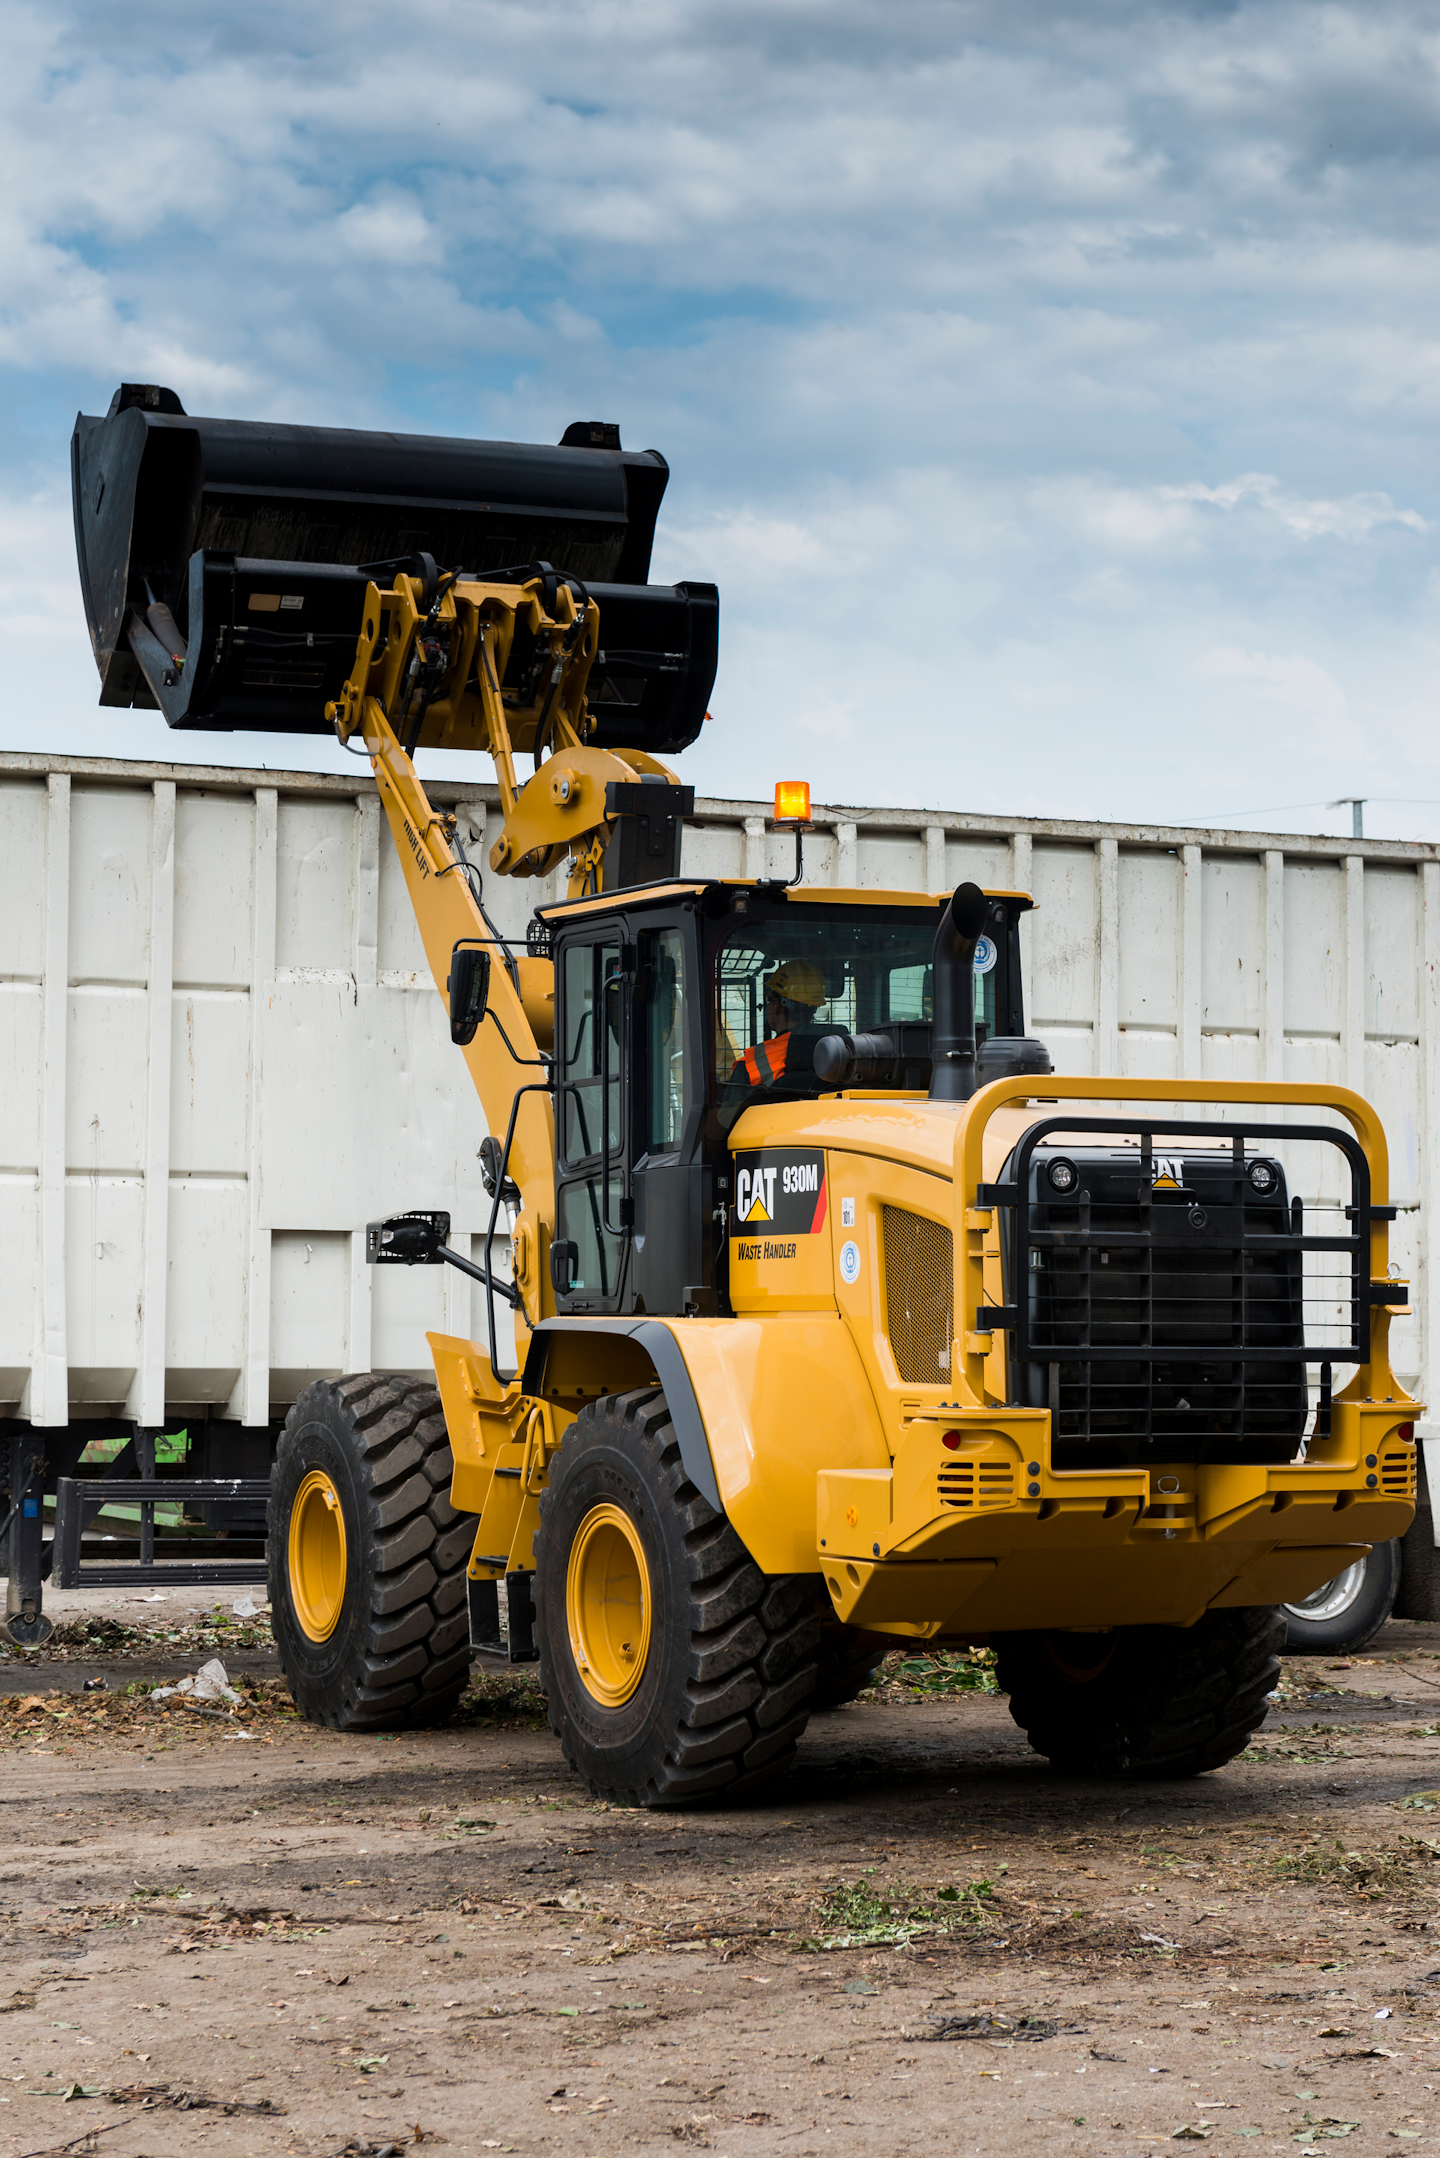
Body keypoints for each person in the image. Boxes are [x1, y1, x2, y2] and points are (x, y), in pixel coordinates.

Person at [733, 958, 827, 1090]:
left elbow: (733, 1102)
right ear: (813, 1010)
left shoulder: (751, 1065)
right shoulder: (841, 1056)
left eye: (769, 1000)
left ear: (777, 1005)